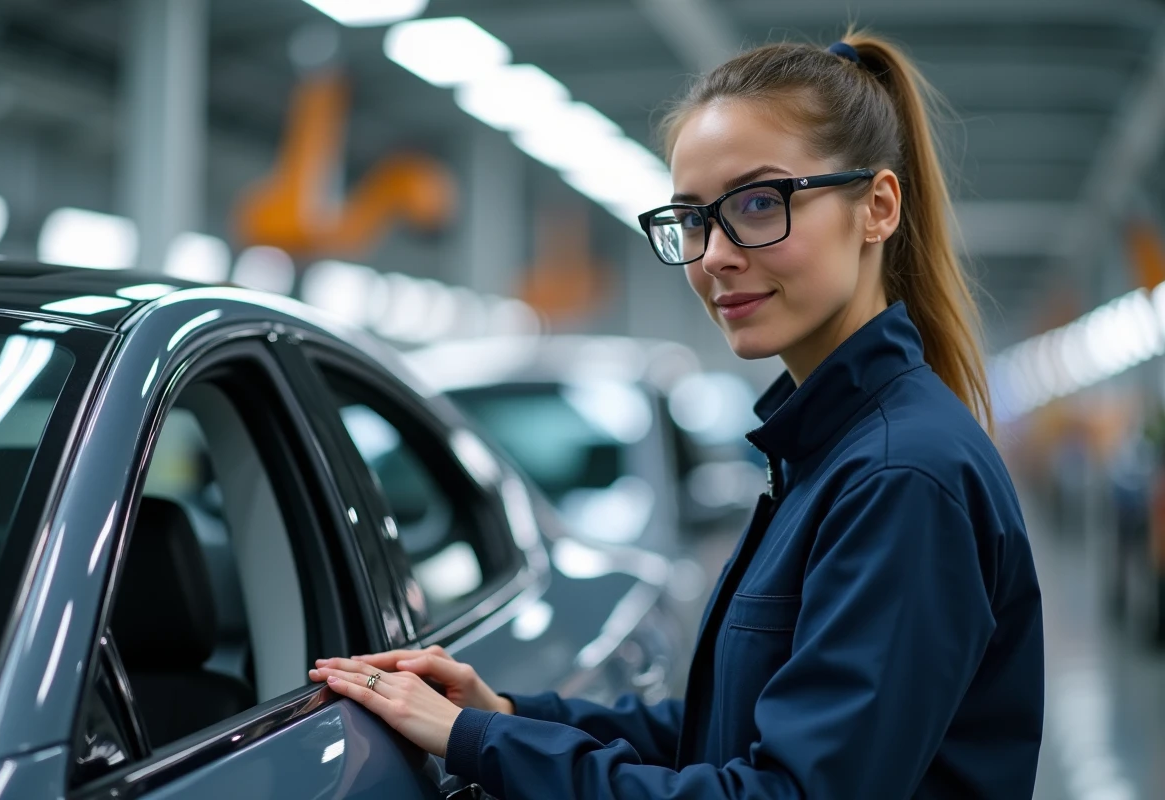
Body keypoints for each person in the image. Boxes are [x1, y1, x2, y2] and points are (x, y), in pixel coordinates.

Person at [309, 31, 1044, 799]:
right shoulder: (827, 453)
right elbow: (725, 734)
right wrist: (505, 713)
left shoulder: (898, 478)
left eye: (759, 204)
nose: (714, 254)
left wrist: (482, 743)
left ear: (878, 209)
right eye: (691, 219)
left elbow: (784, 792)